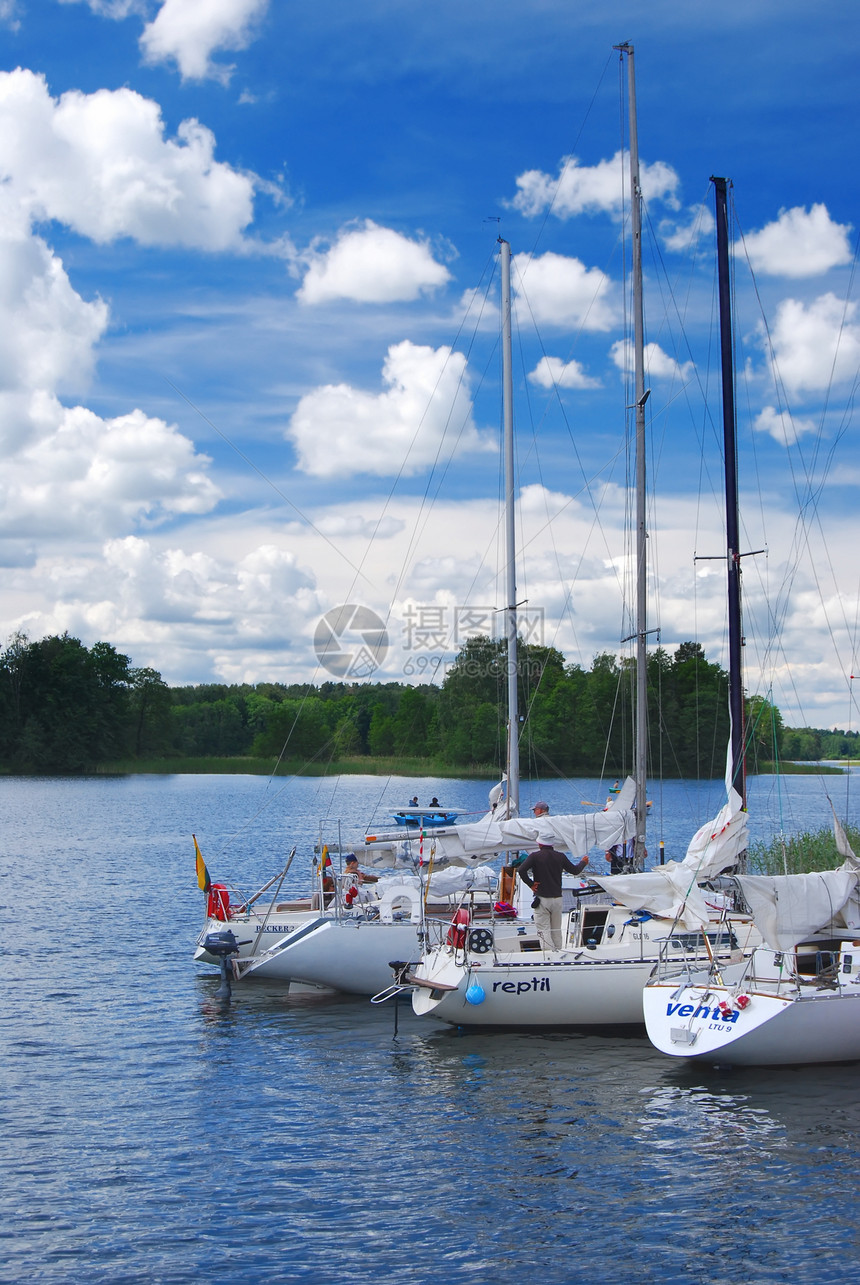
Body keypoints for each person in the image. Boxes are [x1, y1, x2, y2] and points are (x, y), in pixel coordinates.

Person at [518, 803, 589, 950]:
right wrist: (583, 862)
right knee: (556, 930)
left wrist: (531, 884)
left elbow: (521, 870)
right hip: (557, 899)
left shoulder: (535, 857)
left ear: (540, 843)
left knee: (544, 930)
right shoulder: (560, 856)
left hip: (542, 898)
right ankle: (559, 953)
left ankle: (549, 956)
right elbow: (575, 871)